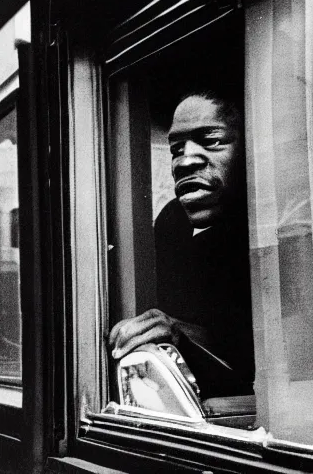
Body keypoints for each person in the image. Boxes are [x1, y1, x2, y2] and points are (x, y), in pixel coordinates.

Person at [109, 91, 254, 398]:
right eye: (176, 149)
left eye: (212, 141)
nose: (185, 160)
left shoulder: (273, 222)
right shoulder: (172, 223)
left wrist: (179, 333)